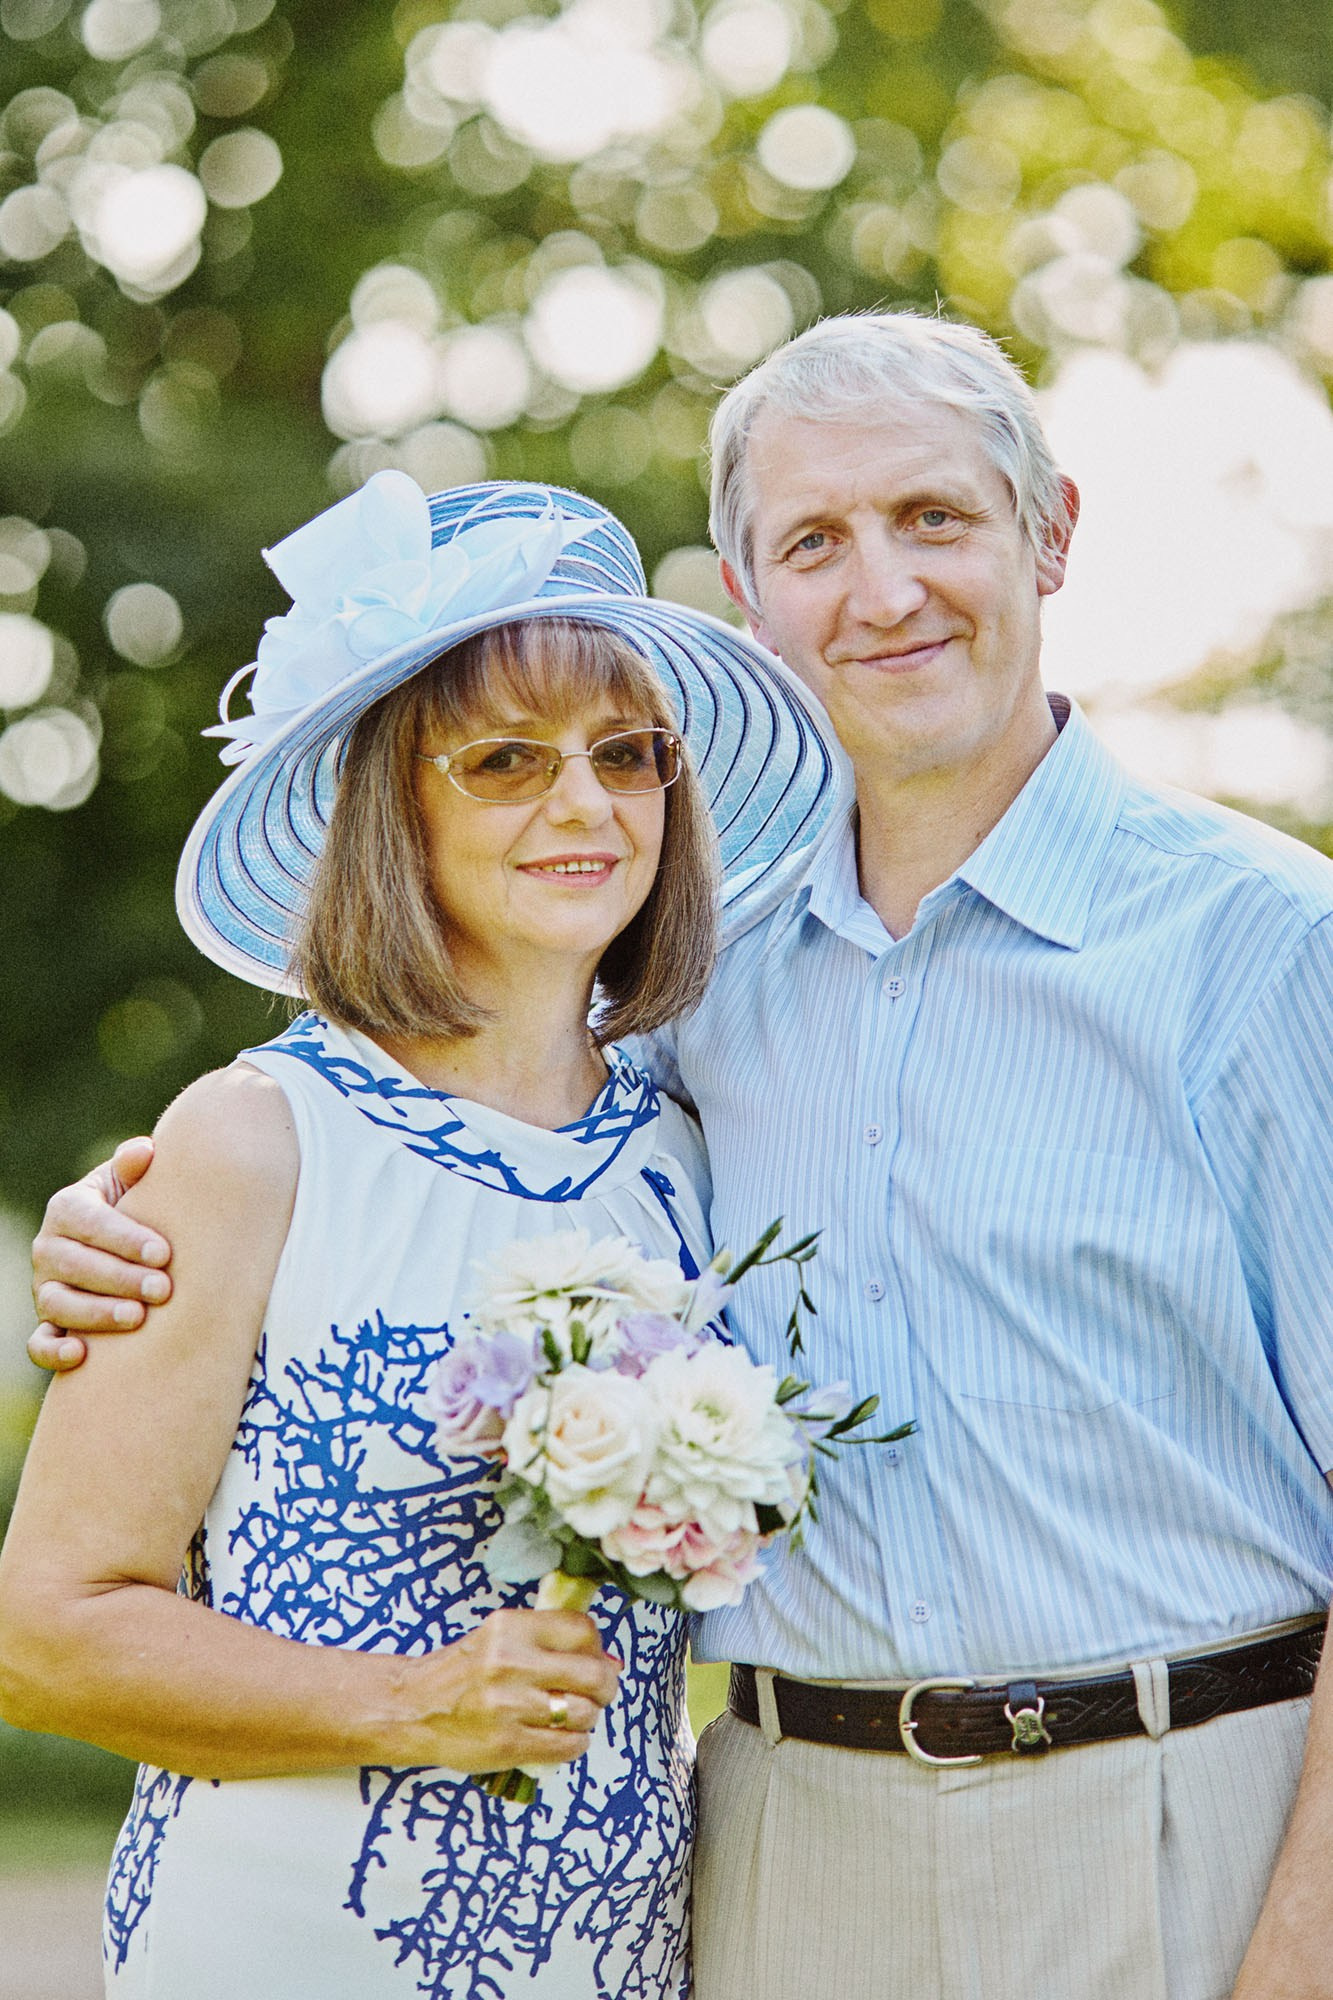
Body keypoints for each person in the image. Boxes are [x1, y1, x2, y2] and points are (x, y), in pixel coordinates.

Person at [26, 314, 1333, 2000]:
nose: (881, 591)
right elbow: (428, 1136)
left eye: (934, 518)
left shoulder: (1271, 951)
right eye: (814, 543)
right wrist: (133, 1211)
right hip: (782, 1851)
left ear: (1050, 533)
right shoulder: (693, 999)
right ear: (746, 598)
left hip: (1175, 1825)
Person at [0, 471, 846, 1999]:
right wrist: (418, 1704)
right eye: (506, 761)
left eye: (624, 755)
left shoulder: (691, 1144)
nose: (584, 806)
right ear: (394, 802)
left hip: (621, 1953)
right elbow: (48, 1634)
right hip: (285, 1945)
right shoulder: (252, 1142)